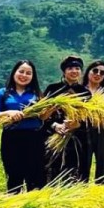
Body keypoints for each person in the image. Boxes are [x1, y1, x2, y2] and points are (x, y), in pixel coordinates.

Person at [0, 59, 46, 193]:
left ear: (33, 76)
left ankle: (35, 207)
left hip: (34, 138)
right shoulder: (2, 93)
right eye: (21, 71)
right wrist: (8, 113)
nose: (24, 75)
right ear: (14, 73)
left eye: (28, 73)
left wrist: (50, 110)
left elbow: (43, 117)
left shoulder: (37, 94)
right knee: (14, 175)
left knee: (35, 176)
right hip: (11, 138)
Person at [43, 55, 92, 183]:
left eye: (77, 68)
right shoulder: (52, 89)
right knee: (53, 171)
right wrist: (55, 125)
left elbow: (89, 117)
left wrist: (77, 124)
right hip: (53, 137)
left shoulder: (85, 92)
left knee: (76, 173)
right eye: (70, 68)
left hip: (78, 139)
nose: (74, 71)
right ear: (64, 71)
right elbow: (42, 114)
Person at [82, 60, 104, 184]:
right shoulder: (79, 91)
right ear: (88, 72)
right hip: (83, 131)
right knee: (82, 164)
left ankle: (101, 194)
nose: (98, 74)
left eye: (102, 73)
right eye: (95, 71)